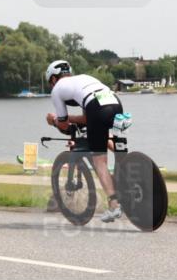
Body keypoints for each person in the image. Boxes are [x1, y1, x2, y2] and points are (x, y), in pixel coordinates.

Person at [45, 60, 123, 222]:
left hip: (97, 108)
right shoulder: (84, 79)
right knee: (117, 147)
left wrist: (53, 120)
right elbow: (87, 118)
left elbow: (64, 123)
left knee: (99, 160)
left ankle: (114, 205)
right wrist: (76, 119)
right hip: (116, 103)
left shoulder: (57, 89)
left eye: (50, 83)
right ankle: (127, 171)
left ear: (53, 79)